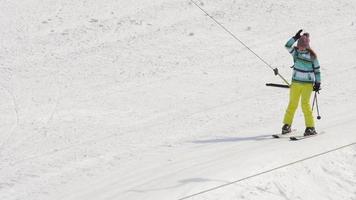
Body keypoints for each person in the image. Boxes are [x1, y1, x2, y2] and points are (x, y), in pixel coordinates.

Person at [281, 29, 321, 136]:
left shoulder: (312, 56)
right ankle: (287, 125)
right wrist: (295, 38)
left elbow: (317, 70)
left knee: (305, 105)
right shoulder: (296, 53)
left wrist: (318, 83)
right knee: (292, 104)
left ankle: (310, 127)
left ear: (307, 46)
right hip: (295, 83)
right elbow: (287, 46)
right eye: (300, 45)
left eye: (303, 46)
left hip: (307, 85)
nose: (301, 48)